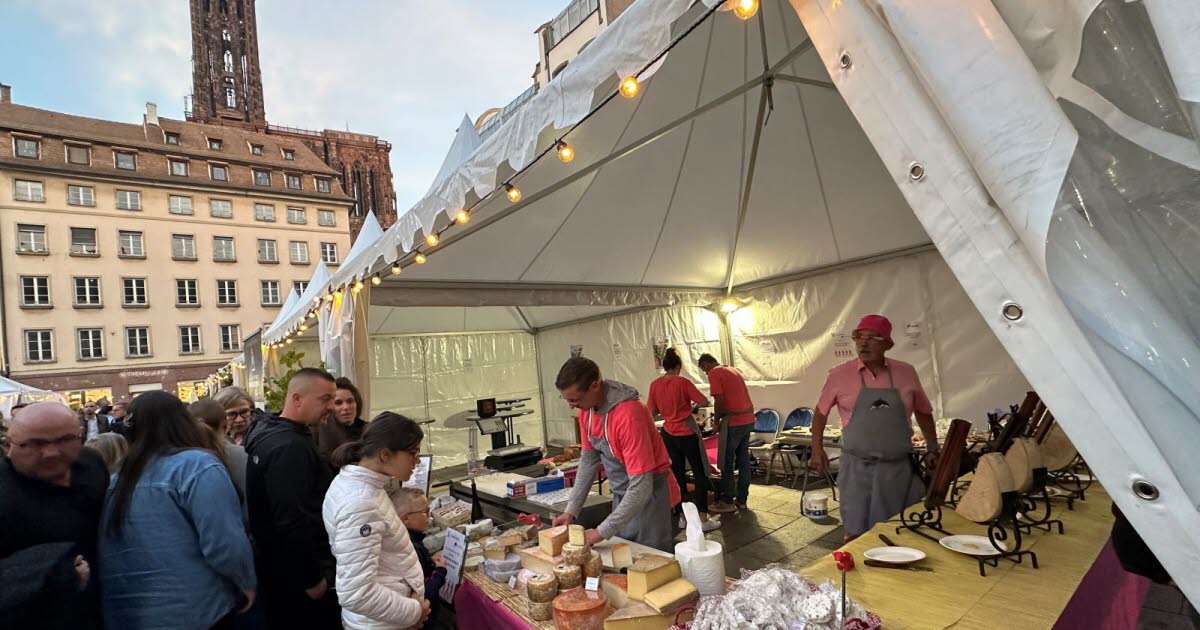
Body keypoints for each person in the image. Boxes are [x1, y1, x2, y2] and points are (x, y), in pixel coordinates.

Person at [97, 391, 256, 630]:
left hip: (127, 612)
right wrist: (245, 581)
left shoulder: (118, 478)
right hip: (196, 608)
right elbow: (223, 540)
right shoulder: (196, 465)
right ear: (183, 421)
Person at [810, 315, 939, 540]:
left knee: (899, 530)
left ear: (887, 344)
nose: (863, 343)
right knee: (856, 532)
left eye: (872, 337)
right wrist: (816, 448)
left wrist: (933, 446)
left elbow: (924, 412)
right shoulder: (839, 374)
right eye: (859, 337)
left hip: (897, 469)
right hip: (857, 468)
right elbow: (820, 414)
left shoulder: (906, 372)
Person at [244, 368, 340, 628]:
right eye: (325, 399)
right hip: (297, 579)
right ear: (297, 399)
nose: (331, 406)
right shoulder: (289, 446)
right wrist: (312, 579)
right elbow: (291, 518)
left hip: (280, 572)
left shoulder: (271, 432)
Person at [552, 357, 680, 552]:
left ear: (594, 386)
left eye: (575, 400)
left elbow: (641, 487)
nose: (571, 406)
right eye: (567, 400)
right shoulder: (586, 411)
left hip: (649, 498)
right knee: (623, 559)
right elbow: (588, 461)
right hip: (622, 496)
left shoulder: (629, 415)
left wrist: (600, 532)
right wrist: (571, 510)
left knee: (650, 562)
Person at [0, 402, 108, 629]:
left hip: (103, 612)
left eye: (65, 440)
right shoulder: (4, 491)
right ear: (9, 445)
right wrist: (58, 575)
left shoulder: (92, 465)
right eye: (35, 444)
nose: (51, 452)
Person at [323, 413, 432, 630]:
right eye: (413, 453)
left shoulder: (359, 483)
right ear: (385, 455)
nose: (417, 460)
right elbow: (357, 593)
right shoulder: (360, 503)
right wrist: (413, 612)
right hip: (382, 623)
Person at [646, 348, 719, 530]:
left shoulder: (655, 385)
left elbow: (650, 411)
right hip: (687, 432)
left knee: (676, 474)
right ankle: (702, 517)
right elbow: (704, 402)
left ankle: (681, 517)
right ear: (678, 366)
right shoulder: (683, 382)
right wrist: (690, 404)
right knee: (699, 472)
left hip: (668, 433)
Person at [697, 353, 756, 514]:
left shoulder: (715, 373)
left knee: (726, 462)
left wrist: (716, 422)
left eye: (704, 371)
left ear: (706, 365)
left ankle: (727, 500)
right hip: (748, 419)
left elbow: (719, 400)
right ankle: (742, 500)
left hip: (734, 422)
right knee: (744, 462)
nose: (706, 374)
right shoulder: (732, 369)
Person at [393, 488, 446, 630]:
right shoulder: (411, 548)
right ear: (405, 518)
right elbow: (424, 593)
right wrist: (439, 572)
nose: (430, 517)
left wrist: (430, 562)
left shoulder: (404, 540)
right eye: (425, 512)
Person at [191, 399, 249, 503]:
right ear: (226, 425)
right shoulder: (242, 455)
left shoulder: (179, 460)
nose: (239, 419)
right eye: (232, 414)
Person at [315, 377, 367, 462]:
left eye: (350, 401)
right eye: (338, 403)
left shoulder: (369, 430)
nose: (346, 407)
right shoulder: (318, 431)